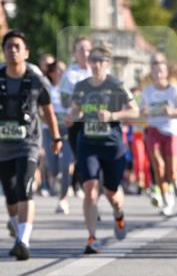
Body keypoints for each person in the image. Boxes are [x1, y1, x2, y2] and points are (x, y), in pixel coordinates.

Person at [0, 31, 61, 260]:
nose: (12, 51)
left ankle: (24, 240)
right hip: (3, 146)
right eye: (8, 47)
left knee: (25, 188)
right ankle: (16, 227)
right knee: (11, 195)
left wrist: (56, 138)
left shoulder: (36, 80)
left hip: (29, 143)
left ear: (26, 52)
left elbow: (48, 111)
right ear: (3, 52)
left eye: (17, 46)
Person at [70, 42, 138, 253]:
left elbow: (135, 112)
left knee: (111, 193)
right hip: (88, 143)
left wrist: (113, 116)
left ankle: (118, 214)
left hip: (112, 145)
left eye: (100, 61)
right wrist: (72, 117)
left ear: (107, 63)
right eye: (93, 60)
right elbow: (75, 111)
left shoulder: (116, 85)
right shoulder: (81, 87)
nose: (96, 64)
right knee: (90, 190)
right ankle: (92, 237)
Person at [140, 54, 177, 216]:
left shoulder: (174, 89)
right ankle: (166, 198)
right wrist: (145, 112)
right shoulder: (147, 91)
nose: (158, 74)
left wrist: (173, 111)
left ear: (166, 73)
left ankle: (175, 181)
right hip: (154, 129)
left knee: (172, 170)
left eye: (161, 71)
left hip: (172, 131)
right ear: (152, 73)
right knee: (158, 166)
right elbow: (141, 112)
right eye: (155, 71)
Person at [60, 35, 92, 197]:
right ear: (75, 53)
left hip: (96, 122)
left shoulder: (99, 69)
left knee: (94, 158)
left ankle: (89, 192)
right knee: (81, 156)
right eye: (81, 50)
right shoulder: (70, 75)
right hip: (77, 122)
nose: (85, 53)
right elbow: (64, 100)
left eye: (88, 50)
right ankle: (78, 184)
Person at [43, 60, 72, 213]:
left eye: (63, 70)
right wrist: (46, 117)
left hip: (67, 130)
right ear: (51, 73)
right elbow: (39, 109)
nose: (61, 73)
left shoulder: (71, 89)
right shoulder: (46, 88)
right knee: (53, 166)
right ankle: (55, 178)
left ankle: (63, 199)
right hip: (49, 130)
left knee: (66, 165)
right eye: (57, 70)